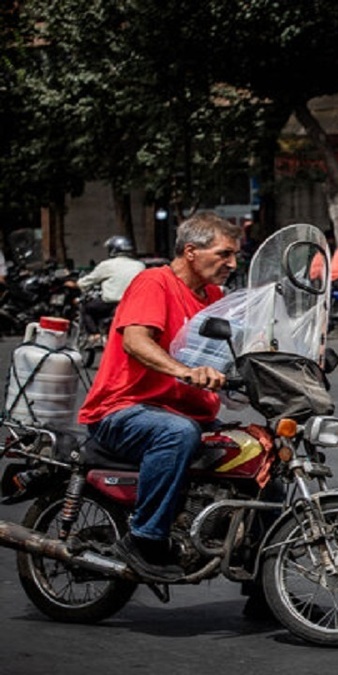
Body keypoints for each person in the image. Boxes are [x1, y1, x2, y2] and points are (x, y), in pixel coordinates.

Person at [77, 212, 240, 580]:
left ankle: (262, 581)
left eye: (235, 256)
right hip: (123, 410)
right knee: (176, 433)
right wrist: (186, 371)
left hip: (189, 412)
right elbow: (135, 341)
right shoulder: (154, 283)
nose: (232, 263)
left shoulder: (215, 297)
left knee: (259, 453)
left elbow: (235, 349)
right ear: (191, 251)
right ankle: (145, 537)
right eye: (225, 253)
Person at [69, 235, 147, 346]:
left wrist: (75, 284)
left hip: (111, 304)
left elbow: (88, 281)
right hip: (135, 304)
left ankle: (95, 335)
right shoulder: (140, 265)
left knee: (86, 309)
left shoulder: (107, 265)